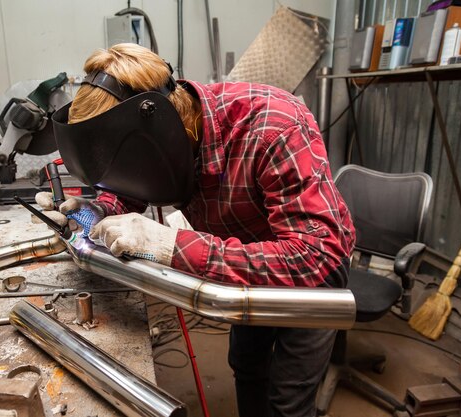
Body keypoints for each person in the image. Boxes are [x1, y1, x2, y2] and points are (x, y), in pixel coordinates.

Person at [36, 43, 355, 417]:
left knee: (288, 397)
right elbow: (130, 188)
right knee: (247, 366)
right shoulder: (170, 138)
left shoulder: (273, 124)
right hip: (242, 268)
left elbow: (315, 254)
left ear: (162, 136)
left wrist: (171, 245)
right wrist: (95, 211)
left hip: (309, 274)